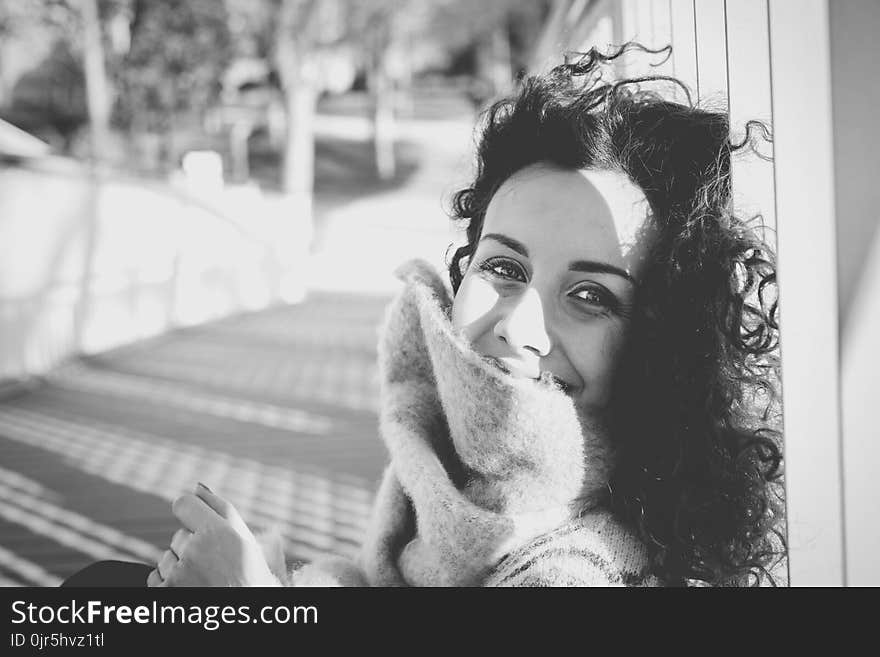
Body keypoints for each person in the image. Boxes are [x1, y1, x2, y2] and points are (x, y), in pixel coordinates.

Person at [63, 43, 785, 588]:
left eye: (590, 295)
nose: (516, 325)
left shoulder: (573, 572)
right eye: (503, 267)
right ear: (462, 272)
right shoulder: (443, 466)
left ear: (656, 343)